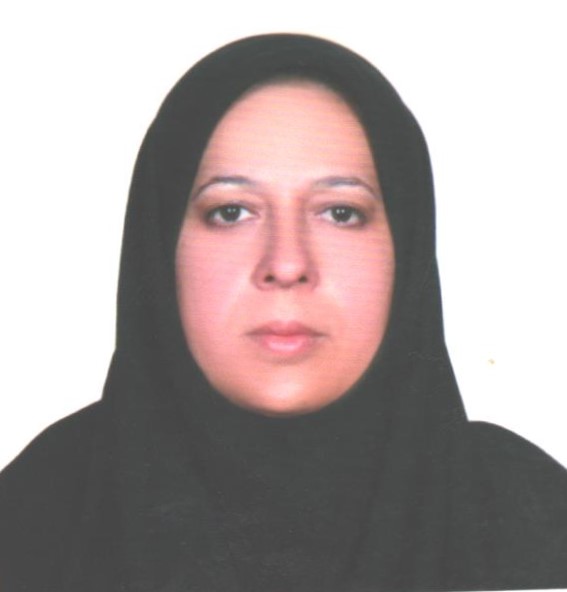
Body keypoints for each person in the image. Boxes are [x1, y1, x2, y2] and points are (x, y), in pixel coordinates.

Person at [1, 33, 566, 592]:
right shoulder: (32, 516)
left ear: (406, 245)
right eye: (231, 212)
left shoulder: (535, 513)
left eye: (340, 212)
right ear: (160, 244)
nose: (287, 263)